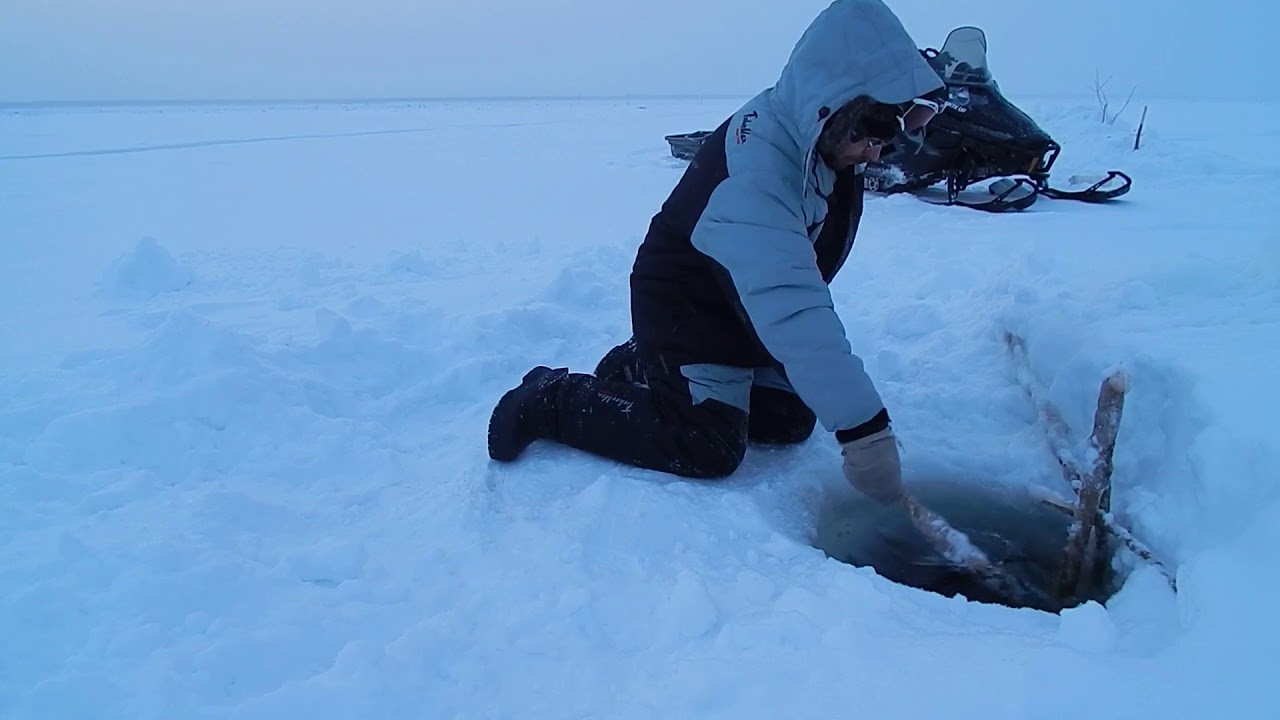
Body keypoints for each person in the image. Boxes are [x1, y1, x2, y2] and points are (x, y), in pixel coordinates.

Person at [486, 0, 946, 504]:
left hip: (741, 306)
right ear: (832, 106)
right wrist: (866, 432)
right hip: (689, 306)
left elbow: (791, 288)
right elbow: (790, 303)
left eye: (896, 132)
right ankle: (554, 399)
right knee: (706, 443)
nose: (879, 152)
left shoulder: (818, 143)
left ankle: (645, 362)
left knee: (790, 419)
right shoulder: (758, 174)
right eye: (877, 130)